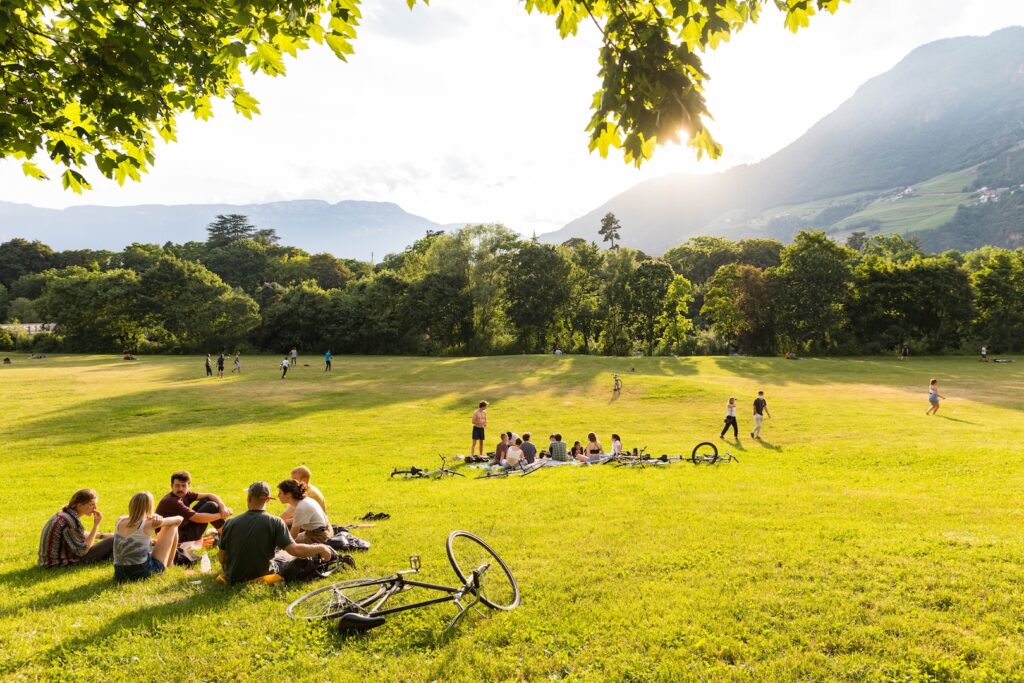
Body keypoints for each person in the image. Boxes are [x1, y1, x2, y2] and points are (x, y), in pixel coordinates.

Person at [218, 481, 334, 585]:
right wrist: (320, 548)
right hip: (264, 573)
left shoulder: (229, 523)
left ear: (249, 498)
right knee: (284, 555)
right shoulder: (275, 522)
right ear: (268, 500)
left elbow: (221, 558)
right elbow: (295, 550)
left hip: (232, 576)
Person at [113, 492, 183, 582]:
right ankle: (170, 564)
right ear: (149, 507)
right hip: (141, 572)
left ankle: (170, 564)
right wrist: (154, 515)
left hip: (119, 573)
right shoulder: (148, 524)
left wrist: (153, 515)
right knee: (173, 526)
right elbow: (179, 519)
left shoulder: (120, 520)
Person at [38, 489, 115, 568]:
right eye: (91, 504)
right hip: (58, 563)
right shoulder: (70, 521)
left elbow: (80, 534)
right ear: (79, 505)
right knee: (113, 541)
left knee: (112, 539)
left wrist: (104, 535)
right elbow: (83, 550)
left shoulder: (64, 514)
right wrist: (96, 525)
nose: (95, 508)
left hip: (47, 562)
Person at [155, 471, 232, 543]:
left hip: (181, 529)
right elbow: (198, 518)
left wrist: (223, 507)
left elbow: (210, 495)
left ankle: (224, 534)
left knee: (207, 500)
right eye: (177, 485)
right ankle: (227, 537)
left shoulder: (185, 494)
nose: (180, 489)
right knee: (211, 506)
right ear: (171, 486)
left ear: (188, 486)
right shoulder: (172, 501)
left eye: (183, 485)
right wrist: (221, 515)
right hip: (176, 539)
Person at [277, 479, 331, 543]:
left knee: (283, 544)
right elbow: (280, 519)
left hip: (319, 537)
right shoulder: (297, 501)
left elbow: (292, 536)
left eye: (280, 493)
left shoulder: (301, 507)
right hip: (315, 532)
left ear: (288, 495)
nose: (278, 495)